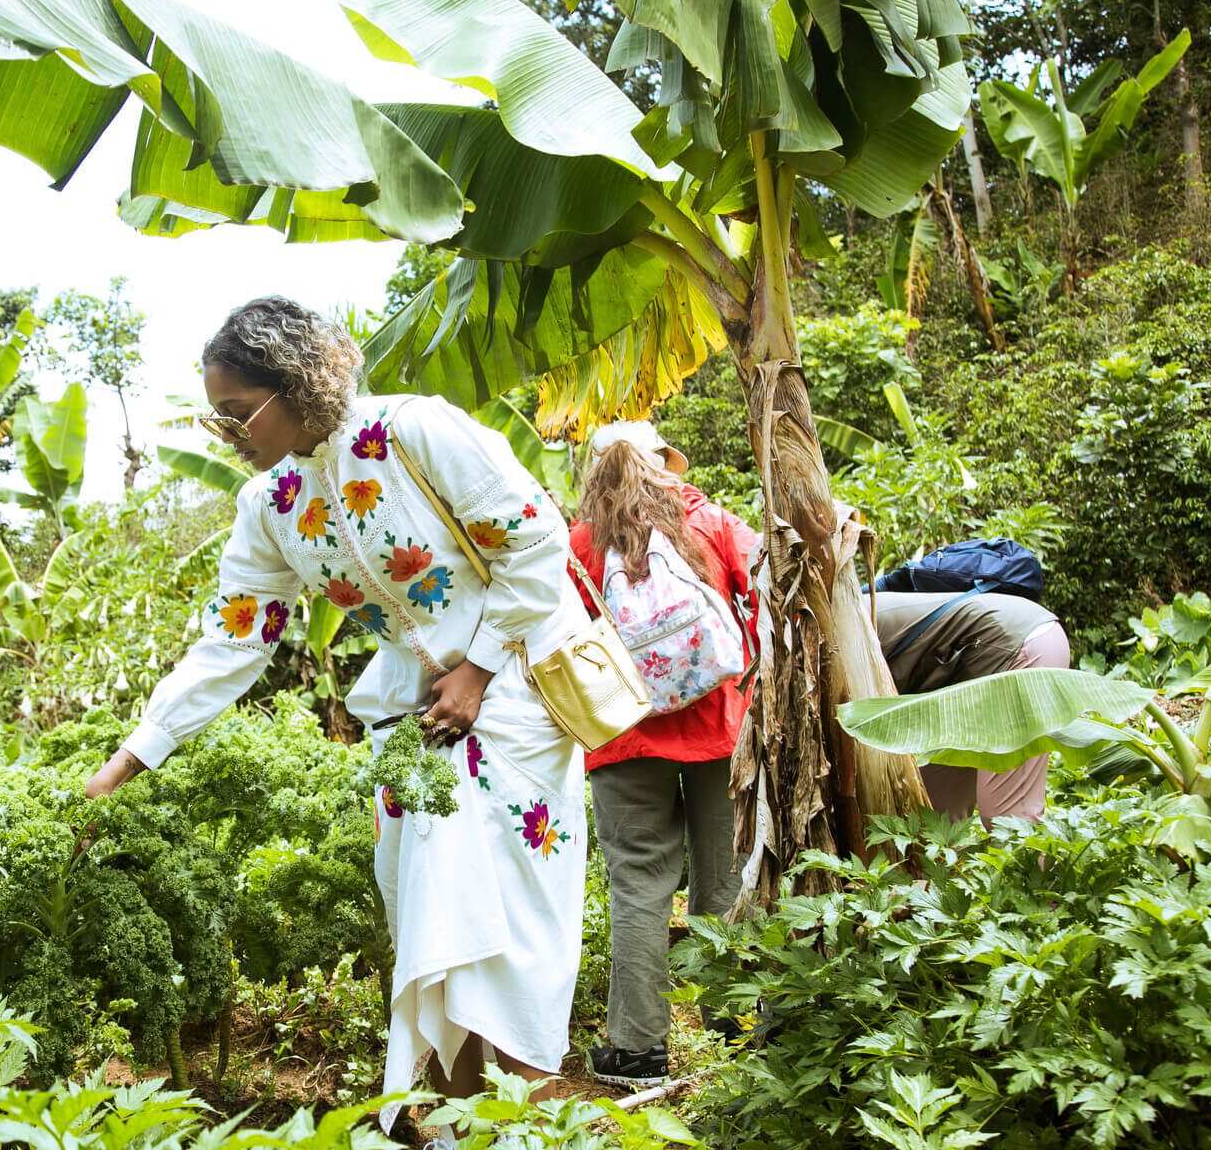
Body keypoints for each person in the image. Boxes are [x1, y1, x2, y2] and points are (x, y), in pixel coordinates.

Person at [85, 297, 590, 1125]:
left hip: (517, 709)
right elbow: (234, 642)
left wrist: (478, 671)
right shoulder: (270, 505)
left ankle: (521, 1126)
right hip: (413, 733)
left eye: (238, 412)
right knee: (436, 932)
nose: (230, 434)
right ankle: (458, 1127)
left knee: (517, 935)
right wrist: (127, 762)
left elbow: (537, 545)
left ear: (294, 384)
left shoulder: (416, 432)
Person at [566, 420, 756, 1090]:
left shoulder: (579, 543)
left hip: (625, 732)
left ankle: (639, 1051)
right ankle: (737, 1027)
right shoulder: (711, 523)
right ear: (665, 465)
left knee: (640, 885)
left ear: (596, 476)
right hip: (718, 725)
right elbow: (761, 602)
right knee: (721, 878)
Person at [872, 590, 1071, 824]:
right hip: (961, 685)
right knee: (935, 816)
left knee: (1008, 816)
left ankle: (1027, 861)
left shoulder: (842, 623)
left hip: (1018, 648)